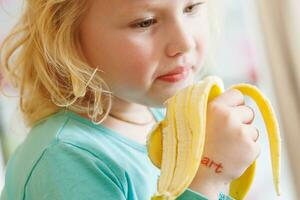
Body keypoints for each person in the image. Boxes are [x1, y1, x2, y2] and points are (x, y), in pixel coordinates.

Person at [0, 0, 260, 199]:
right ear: (66, 36)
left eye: (191, 7)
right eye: (145, 22)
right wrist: (208, 176)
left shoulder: (157, 116)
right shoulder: (63, 161)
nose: (184, 42)